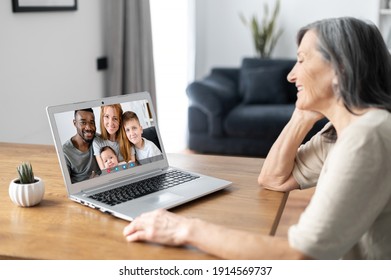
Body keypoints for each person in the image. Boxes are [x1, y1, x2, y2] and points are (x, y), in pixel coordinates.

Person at [122, 17, 391, 259]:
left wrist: (183, 228)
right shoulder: (340, 130)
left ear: (340, 67)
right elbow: (274, 179)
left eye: (302, 59)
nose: (291, 74)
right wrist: (301, 115)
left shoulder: (367, 135)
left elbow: (298, 256)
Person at [63, 108, 101, 183]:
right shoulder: (65, 151)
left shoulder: (99, 140)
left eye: (92, 122)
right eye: (83, 123)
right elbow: (67, 185)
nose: (88, 127)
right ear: (75, 123)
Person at [93, 104, 134, 169]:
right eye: (107, 116)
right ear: (102, 118)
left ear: (120, 121)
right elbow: (104, 171)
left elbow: (133, 166)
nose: (110, 122)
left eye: (115, 118)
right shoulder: (97, 142)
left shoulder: (127, 138)